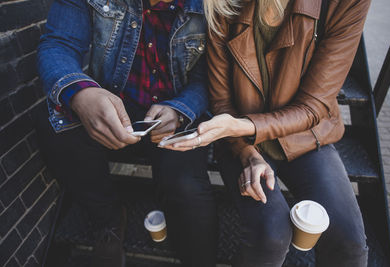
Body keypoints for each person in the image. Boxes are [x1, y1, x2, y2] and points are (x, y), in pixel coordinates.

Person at [167, 0, 371, 266]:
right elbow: (222, 101)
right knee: (270, 233)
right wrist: (247, 152)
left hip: (306, 135)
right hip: (239, 139)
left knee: (350, 243)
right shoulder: (222, 3)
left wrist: (244, 127)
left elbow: (313, 106)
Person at [36, 0, 217, 266]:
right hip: (114, 103)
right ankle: (107, 219)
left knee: (189, 194)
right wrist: (80, 92)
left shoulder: (213, 5)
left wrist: (180, 110)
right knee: (52, 123)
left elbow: (211, 77)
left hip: (176, 113)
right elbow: (58, 43)